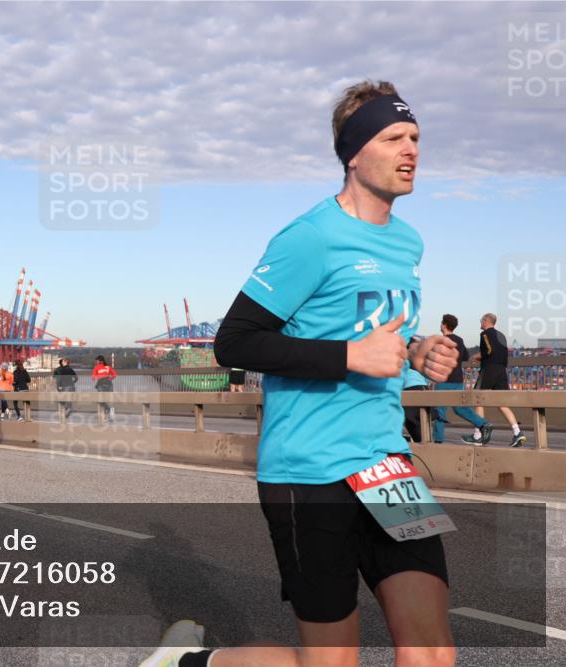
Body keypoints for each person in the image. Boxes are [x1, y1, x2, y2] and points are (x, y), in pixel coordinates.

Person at [142, 81, 460, 667]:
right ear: (354, 152)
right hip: (308, 473)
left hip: (388, 465)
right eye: (393, 138)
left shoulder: (408, 242)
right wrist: (348, 357)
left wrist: (417, 351)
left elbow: (373, 328)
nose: (410, 149)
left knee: (433, 655)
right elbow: (233, 342)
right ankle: (190, 663)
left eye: (415, 137)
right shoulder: (309, 238)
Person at [466, 313, 525, 447]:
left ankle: (478, 434)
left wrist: (477, 356)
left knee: (477, 398)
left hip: (489, 369)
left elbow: (488, 351)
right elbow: (503, 355)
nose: (480, 323)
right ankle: (517, 432)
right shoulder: (502, 335)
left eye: (481, 321)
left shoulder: (485, 334)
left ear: (486, 321)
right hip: (501, 370)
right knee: (501, 403)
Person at [432, 314, 489, 444]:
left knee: (439, 411)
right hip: (457, 379)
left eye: (442, 323)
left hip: (444, 379)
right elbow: (465, 357)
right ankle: (483, 424)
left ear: (444, 325)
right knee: (461, 408)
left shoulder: (441, 340)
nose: (441, 325)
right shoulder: (460, 340)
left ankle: (438, 440)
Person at [402, 339, 430, 442]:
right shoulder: (418, 360)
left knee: (412, 423)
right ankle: (426, 445)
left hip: (410, 388)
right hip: (423, 387)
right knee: (421, 422)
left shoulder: (402, 359)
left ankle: (422, 447)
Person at [91, 354, 118, 422]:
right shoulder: (108, 367)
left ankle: (107, 411)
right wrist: (110, 379)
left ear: (99, 361)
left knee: (101, 400)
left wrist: (96, 377)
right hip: (109, 384)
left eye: (97, 360)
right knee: (109, 398)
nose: (96, 361)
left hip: (101, 384)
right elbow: (115, 374)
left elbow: (93, 377)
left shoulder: (96, 367)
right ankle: (110, 411)